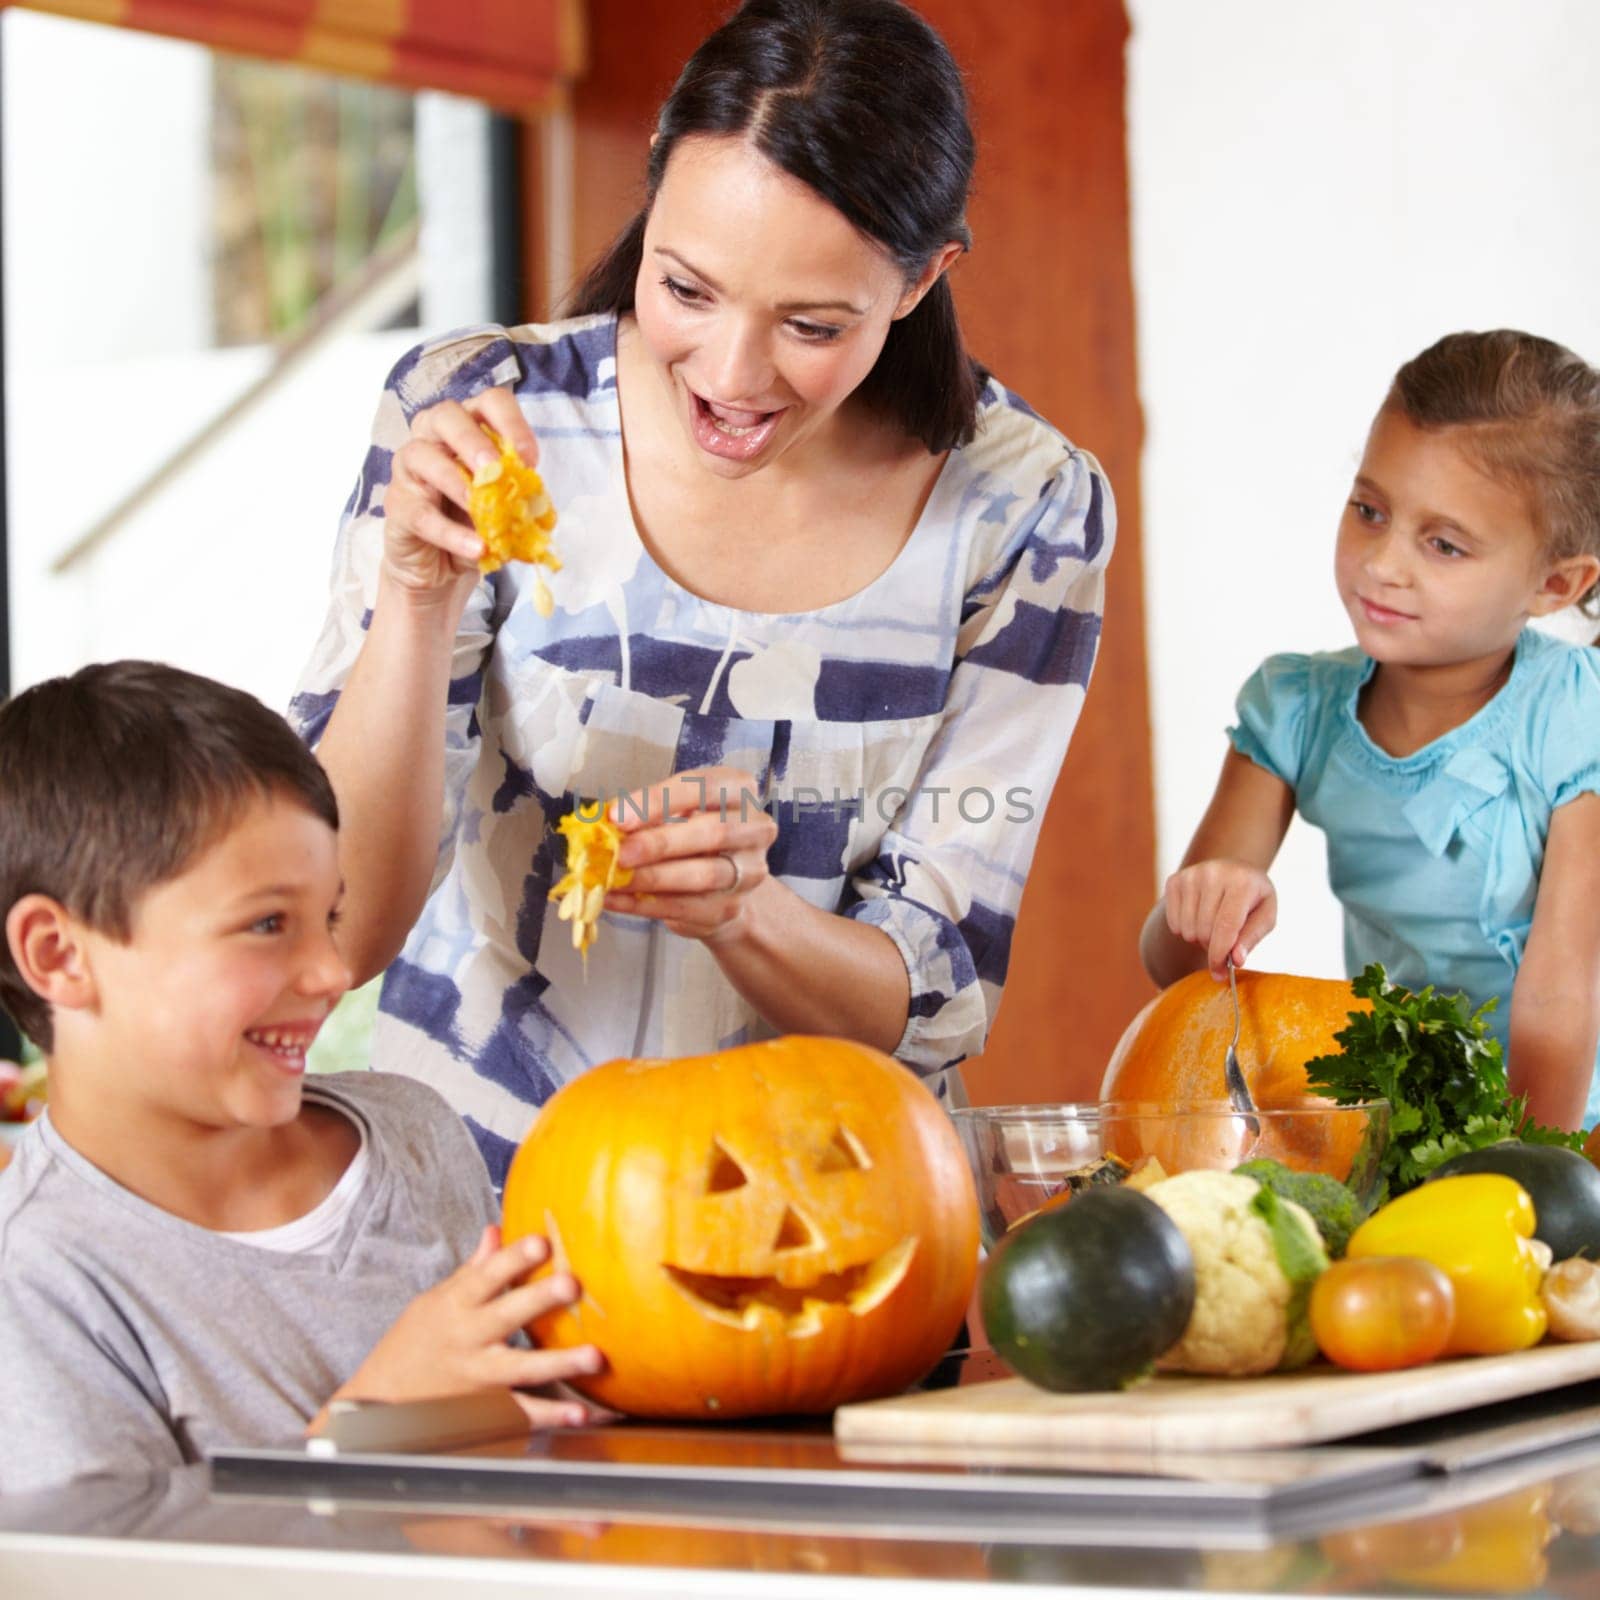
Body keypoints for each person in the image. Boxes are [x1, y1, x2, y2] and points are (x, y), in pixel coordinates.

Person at [291, 0, 1115, 1183]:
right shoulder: (476, 417)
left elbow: (937, 992)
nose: (730, 375)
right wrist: (416, 599)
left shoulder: (1024, 509)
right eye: (685, 289)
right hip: (479, 1208)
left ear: (924, 278)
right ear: (653, 197)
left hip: (834, 1212)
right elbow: (335, 926)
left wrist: (747, 913)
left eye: (812, 324)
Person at [0, 662, 600, 1495]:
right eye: (268, 924)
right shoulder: (31, 1281)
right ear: (60, 956)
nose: (328, 970)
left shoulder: (412, 1129)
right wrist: (371, 1426)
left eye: (331, 917)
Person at [1142, 330, 1600, 1131]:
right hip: (1406, 1119)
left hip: (1567, 1124)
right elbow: (1169, 967)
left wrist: (1536, 1172)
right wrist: (1205, 902)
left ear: (1555, 584)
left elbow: (1564, 994)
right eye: (1369, 510)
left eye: (1444, 544)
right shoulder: (1296, 710)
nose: (1382, 563)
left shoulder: (1574, 719)